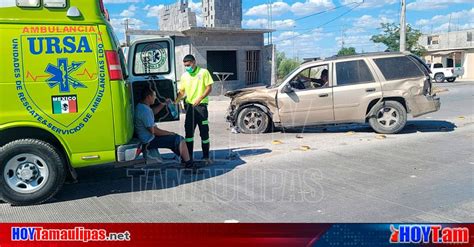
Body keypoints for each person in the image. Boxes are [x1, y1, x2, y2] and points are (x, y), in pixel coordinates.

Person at [134, 86, 194, 168]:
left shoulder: (142, 106)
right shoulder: (144, 111)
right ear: (148, 97)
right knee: (179, 139)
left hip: (147, 138)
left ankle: (183, 157)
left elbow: (152, 112)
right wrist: (169, 133)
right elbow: (154, 131)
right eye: (154, 96)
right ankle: (189, 163)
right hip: (149, 141)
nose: (155, 98)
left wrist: (163, 104)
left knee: (173, 139)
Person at [176, 54, 214, 163]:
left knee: (204, 133)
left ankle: (206, 157)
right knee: (188, 133)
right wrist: (175, 101)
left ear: (194, 62)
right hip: (190, 108)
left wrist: (200, 98)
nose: (187, 67)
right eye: (185, 66)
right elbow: (182, 91)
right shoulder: (184, 76)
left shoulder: (203, 72)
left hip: (201, 108)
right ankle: (189, 158)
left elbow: (209, 88)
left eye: (188, 65)